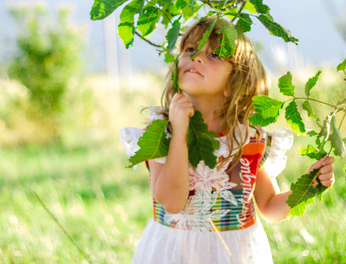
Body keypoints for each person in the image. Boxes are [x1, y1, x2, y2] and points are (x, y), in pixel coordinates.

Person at [119, 16, 335, 264]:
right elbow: (171, 202)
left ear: (233, 83)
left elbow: (269, 207)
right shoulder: (161, 131)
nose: (196, 56)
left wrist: (310, 186)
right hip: (174, 253)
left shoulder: (248, 139)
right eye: (190, 49)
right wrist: (180, 133)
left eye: (214, 55)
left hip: (236, 254)